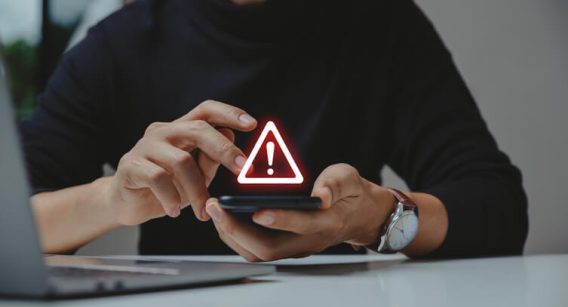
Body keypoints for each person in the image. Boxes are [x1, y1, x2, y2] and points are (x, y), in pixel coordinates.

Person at [21, 0, 528, 261]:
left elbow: (497, 207)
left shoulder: (379, 22)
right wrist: (113, 200)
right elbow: (12, 226)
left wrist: (376, 219)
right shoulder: (121, 45)